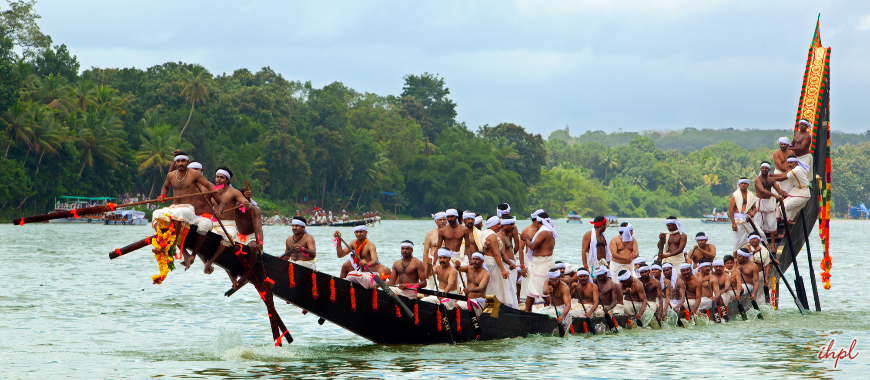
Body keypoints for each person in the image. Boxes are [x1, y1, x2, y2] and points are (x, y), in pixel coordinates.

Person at [153, 153, 223, 269]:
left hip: (187, 209)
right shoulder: (171, 175)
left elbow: (209, 185)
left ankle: (180, 249)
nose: (181, 163)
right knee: (156, 214)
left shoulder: (194, 175)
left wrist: (216, 190)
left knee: (178, 214)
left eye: (183, 161)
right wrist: (162, 195)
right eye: (178, 161)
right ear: (175, 163)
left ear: (187, 162)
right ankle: (161, 240)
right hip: (175, 207)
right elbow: (166, 186)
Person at [203, 167, 253, 275]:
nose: (219, 179)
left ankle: (209, 263)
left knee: (229, 236)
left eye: (222, 177)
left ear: (227, 180)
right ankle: (205, 262)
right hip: (214, 223)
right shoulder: (212, 191)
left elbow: (247, 204)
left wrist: (247, 201)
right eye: (217, 177)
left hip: (229, 224)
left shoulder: (234, 192)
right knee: (200, 232)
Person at [227, 188, 265, 289]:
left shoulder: (255, 210)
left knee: (253, 246)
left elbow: (258, 228)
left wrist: (260, 242)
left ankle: (244, 277)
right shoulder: (233, 208)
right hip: (239, 235)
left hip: (251, 235)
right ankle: (233, 277)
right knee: (223, 245)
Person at [521, 212, 557, 312]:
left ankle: (557, 310)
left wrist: (524, 238)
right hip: (539, 263)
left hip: (543, 264)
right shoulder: (546, 230)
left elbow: (532, 246)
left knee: (542, 290)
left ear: (537, 221)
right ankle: (527, 311)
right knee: (531, 290)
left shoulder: (545, 231)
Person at [336, 224, 387, 288]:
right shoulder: (353, 243)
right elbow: (340, 255)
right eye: (356, 232)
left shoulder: (370, 245)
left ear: (366, 232)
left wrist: (367, 264)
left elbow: (375, 260)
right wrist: (339, 240)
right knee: (343, 281)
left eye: (361, 232)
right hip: (361, 275)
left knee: (351, 274)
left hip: (371, 277)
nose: (358, 234)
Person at [480, 216, 513, 307]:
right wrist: (503, 270)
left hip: (486, 263)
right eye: (498, 224)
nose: (500, 226)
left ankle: (488, 309)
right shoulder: (492, 236)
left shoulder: (483, 233)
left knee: (489, 287)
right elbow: (497, 254)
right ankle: (492, 310)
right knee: (495, 289)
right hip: (493, 264)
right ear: (492, 225)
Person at [755, 161, 788, 250]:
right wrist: (775, 196)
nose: (764, 169)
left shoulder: (771, 180)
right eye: (763, 168)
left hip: (769, 202)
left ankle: (773, 245)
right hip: (760, 202)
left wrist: (783, 193)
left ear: (769, 169)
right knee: (758, 225)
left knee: (772, 224)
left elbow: (778, 189)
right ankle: (759, 245)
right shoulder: (757, 180)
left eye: (766, 168)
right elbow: (762, 190)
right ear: (760, 169)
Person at [771, 155, 812, 224]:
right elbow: (782, 175)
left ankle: (785, 230)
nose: (789, 164)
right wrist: (770, 176)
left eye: (791, 162)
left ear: (796, 162)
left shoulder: (796, 170)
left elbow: (782, 178)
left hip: (803, 193)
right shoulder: (794, 170)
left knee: (784, 207)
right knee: (780, 206)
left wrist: (769, 179)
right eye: (788, 163)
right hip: (796, 191)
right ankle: (777, 228)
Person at [729, 178, 762, 253]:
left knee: (760, 234)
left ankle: (763, 253)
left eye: (745, 183)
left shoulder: (751, 195)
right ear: (739, 184)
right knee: (737, 241)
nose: (743, 185)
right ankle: (736, 259)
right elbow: (731, 210)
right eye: (742, 183)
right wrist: (733, 223)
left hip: (749, 219)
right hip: (738, 221)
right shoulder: (734, 195)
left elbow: (754, 208)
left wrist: (753, 213)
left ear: (748, 185)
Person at [518, 209, 544, 302]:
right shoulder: (526, 231)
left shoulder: (544, 230)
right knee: (528, 280)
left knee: (541, 279)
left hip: (541, 259)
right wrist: (522, 267)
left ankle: (540, 301)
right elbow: (520, 250)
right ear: (537, 219)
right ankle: (526, 302)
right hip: (529, 260)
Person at [498, 216, 520, 309]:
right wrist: (510, 263)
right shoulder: (500, 235)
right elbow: (501, 253)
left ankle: (511, 308)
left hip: (509, 264)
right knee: (507, 288)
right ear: (504, 225)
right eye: (511, 224)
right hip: (505, 265)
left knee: (511, 288)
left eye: (513, 224)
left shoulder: (506, 235)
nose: (513, 226)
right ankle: (506, 307)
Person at [423, 211, 447, 290]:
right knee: (431, 284)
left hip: (447, 261)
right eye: (440, 220)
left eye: (444, 219)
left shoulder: (450, 233)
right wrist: (425, 268)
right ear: (435, 221)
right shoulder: (430, 234)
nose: (442, 222)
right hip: (433, 260)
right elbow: (425, 252)